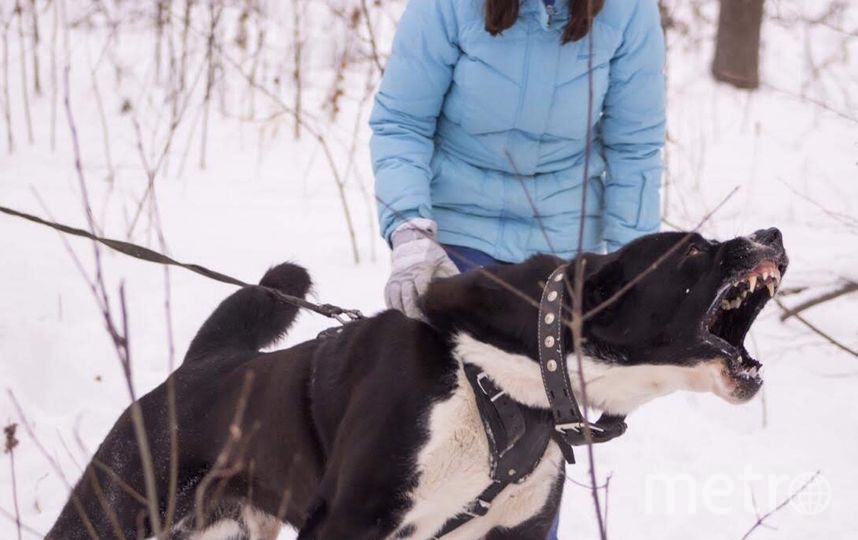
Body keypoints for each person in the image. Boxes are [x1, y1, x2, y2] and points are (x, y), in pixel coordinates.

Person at [370, 0, 665, 535]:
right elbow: (402, 122)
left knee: (534, 455)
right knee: (425, 438)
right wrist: (410, 233)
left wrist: (633, 281)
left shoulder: (629, 12)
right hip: (456, 242)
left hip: (560, 255)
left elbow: (634, 148)